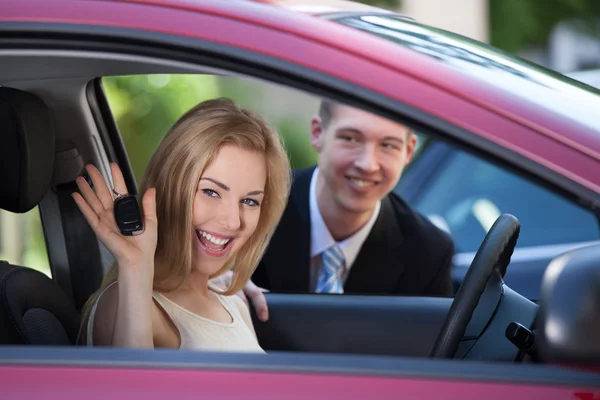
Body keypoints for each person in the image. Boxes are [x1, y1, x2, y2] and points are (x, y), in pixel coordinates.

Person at [74, 98, 291, 351]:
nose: (233, 221)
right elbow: (131, 389)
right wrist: (135, 268)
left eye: (250, 201)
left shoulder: (234, 304)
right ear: (169, 190)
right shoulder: (127, 300)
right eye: (211, 192)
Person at [230, 100, 454, 322]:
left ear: (408, 151)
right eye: (350, 139)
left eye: (388, 145)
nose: (368, 164)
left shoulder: (429, 253)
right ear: (318, 133)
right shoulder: (249, 207)